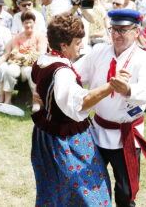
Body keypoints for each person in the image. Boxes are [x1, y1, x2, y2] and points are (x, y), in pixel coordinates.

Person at [75, 9, 146, 206]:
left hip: (126, 135)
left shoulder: (143, 58)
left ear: (136, 32)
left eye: (122, 30)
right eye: (113, 29)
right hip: (97, 131)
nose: (116, 35)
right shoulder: (98, 52)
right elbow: (76, 75)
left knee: (125, 190)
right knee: (92, 184)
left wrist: (128, 89)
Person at [30, 13, 112, 206]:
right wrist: (110, 87)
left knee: (54, 189)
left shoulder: (43, 60)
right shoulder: (62, 72)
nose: (81, 46)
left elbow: (37, 85)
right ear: (64, 45)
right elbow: (80, 103)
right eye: (77, 42)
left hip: (45, 135)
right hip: (66, 141)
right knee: (90, 191)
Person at [2, 11, 47, 110]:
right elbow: (14, 53)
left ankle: (36, 102)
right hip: (18, 64)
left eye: (30, 22)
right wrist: (25, 56)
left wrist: (23, 56)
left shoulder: (40, 36)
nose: (28, 25)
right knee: (9, 71)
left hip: (33, 66)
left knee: (30, 71)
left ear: (34, 23)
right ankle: (7, 101)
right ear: (22, 24)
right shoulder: (18, 37)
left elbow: (41, 54)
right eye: (26, 23)